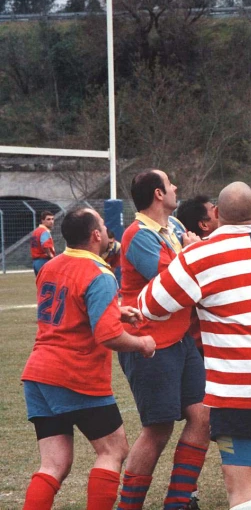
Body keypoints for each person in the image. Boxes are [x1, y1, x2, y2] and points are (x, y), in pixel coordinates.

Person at [138, 182, 251, 510]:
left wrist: (185, 255)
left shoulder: (201, 255)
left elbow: (151, 305)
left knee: (242, 485)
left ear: (217, 215)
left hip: (242, 387)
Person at [21, 207, 155, 510]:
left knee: (53, 465)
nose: (108, 230)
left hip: (38, 373)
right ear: (96, 235)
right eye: (105, 226)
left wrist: (112, 311)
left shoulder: (50, 266)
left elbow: (69, 306)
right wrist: (142, 342)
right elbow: (108, 337)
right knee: (113, 450)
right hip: (75, 374)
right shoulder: (99, 274)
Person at [117, 169, 207, 510]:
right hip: (148, 344)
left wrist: (192, 252)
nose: (175, 188)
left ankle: (179, 501)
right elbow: (171, 280)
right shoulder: (137, 233)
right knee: (157, 429)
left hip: (180, 339)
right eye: (170, 184)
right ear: (158, 194)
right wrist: (193, 254)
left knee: (203, 416)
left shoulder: (176, 229)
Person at [176, 194, 221, 355]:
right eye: (213, 210)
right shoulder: (192, 257)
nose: (218, 211)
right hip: (204, 343)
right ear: (203, 225)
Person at [31, 210, 56, 275]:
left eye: (52, 219)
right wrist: (51, 256)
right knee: (49, 283)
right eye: (48, 219)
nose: (51, 221)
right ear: (42, 221)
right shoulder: (44, 231)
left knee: (40, 284)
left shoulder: (36, 231)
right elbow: (45, 245)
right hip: (43, 261)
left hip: (35, 262)